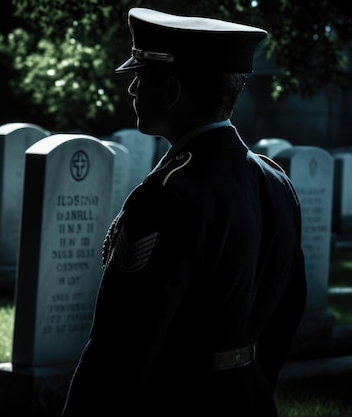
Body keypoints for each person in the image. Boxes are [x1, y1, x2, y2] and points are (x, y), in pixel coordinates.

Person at [61, 7, 307, 417]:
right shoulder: (275, 181)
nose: (133, 90)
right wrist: (249, 383)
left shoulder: (165, 197)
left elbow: (121, 346)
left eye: (141, 78)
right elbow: (289, 307)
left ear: (173, 92)